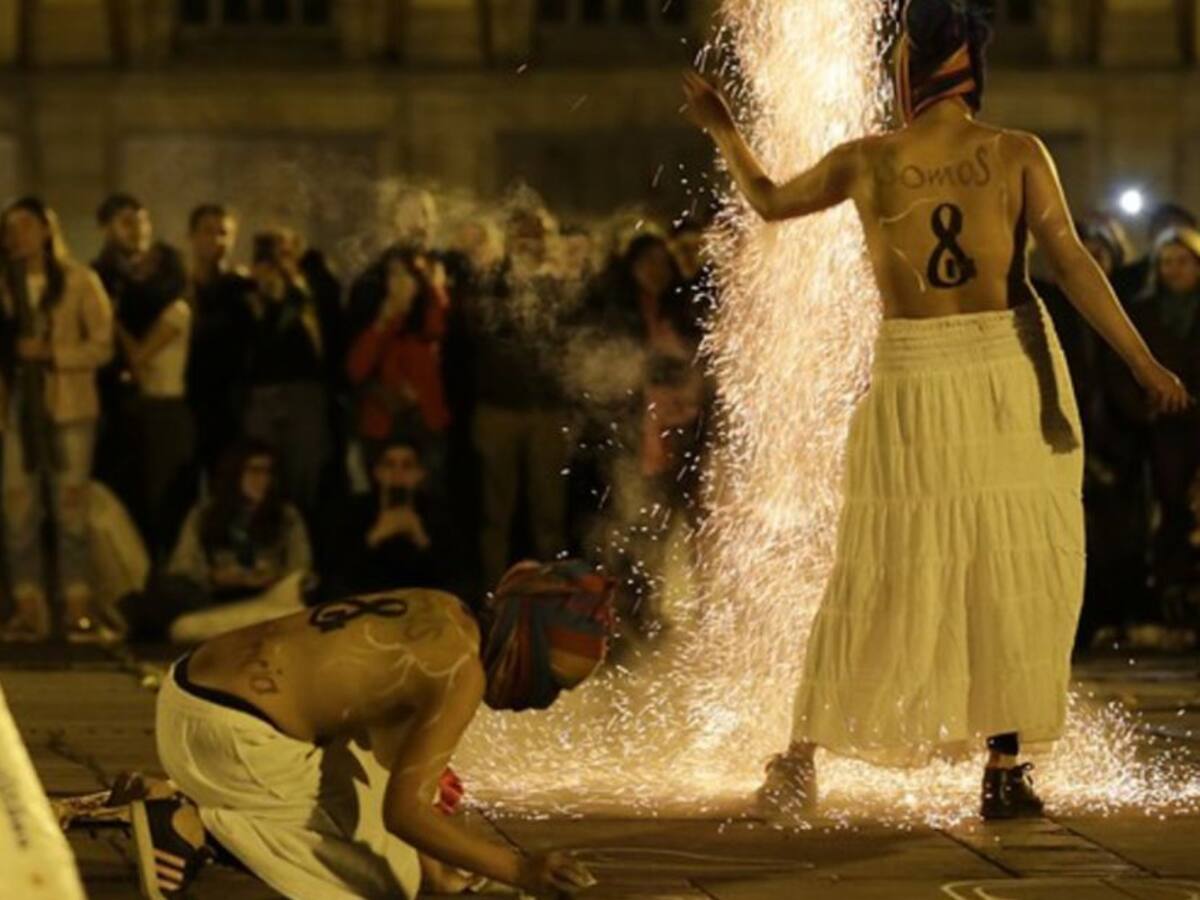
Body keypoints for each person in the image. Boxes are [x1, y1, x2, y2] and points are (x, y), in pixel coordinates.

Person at [682, 0, 1192, 820]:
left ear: (909, 75)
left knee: (881, 561)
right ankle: (1003, 764)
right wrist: (1143, 362)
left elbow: (770, 200)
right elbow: (1071, 265)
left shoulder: (869, 160)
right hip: (1006, 367)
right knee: (1008, 564)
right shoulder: (1016, 153)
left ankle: (800, 759)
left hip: (916, 374)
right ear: (972, 73)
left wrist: (722, 127)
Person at [131, 560, 612, 898]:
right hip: (227, 737)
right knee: (389, 880)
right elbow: (402, 814)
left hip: (188, 689)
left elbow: (383, 757)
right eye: (553, 682)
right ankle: (193, 826)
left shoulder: (443, 608)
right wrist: (521, 870)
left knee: (382, 813)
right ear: (522, 644)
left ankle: (181, 795)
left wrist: (441, 873)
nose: (545, 701)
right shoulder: (461, 675)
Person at [0, 197, 115, 642]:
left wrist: (52, 354)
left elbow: (102, 345)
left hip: (68, 407)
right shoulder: (5, 287)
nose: (17, 235)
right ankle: (29, 609)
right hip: (17, 414)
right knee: (17, 511)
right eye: (11, 227)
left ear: (47, 230)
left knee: (70, 511)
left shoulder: (79, 281)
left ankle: (77, 609)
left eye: (26, 225)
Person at [123, 440, 312, 645]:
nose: (262, 480)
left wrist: (273, 576)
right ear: (236, 474)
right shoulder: (206, 514)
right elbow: (183, 564)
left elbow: (301, 567)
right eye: (255, 471)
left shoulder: (286, 516)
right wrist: (214, 577)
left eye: (269, 473)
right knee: (166, 589)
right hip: (213, 596)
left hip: (266, 593)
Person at [91, 193, 189, 522]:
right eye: (127, 222)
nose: (138, 230)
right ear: (107, 228)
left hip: (164, 391)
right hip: (115, 397)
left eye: (143, 220)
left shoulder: (167, 266)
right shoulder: (97, 275)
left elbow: (168, 303)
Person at [242, 229, 331, 515]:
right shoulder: (247, 295)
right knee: (262, 471)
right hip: (263, 392)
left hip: (304, 392)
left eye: (285, 254)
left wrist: (294, 292)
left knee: (304, 475)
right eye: (271, 255)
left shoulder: (310, 292)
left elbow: (320, 345)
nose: (278, 264)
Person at [346, 247, 451, 468]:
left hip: (426, 421)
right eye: (393, 274)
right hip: (381, 423)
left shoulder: (434, 313)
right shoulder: (371, 315)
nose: (399, 281)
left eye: (407, 274)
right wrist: (382, 322)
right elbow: (356, 370)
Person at [328, 436, 450, 598]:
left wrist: (422, 541)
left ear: (420, 474)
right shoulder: (355, 512)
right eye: (389, 465)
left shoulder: (436, 514)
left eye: (407, 466)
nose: (397, 473)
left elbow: (454, 581)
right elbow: (336, 580)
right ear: (378, 473)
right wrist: (373, 538)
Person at [184, 203, 255, 482]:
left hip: (230, 403)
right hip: (186, 401)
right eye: (208, 231)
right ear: (191, 236)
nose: (216, 240)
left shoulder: (242, 288)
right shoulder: (177, 286)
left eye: (223, 233)